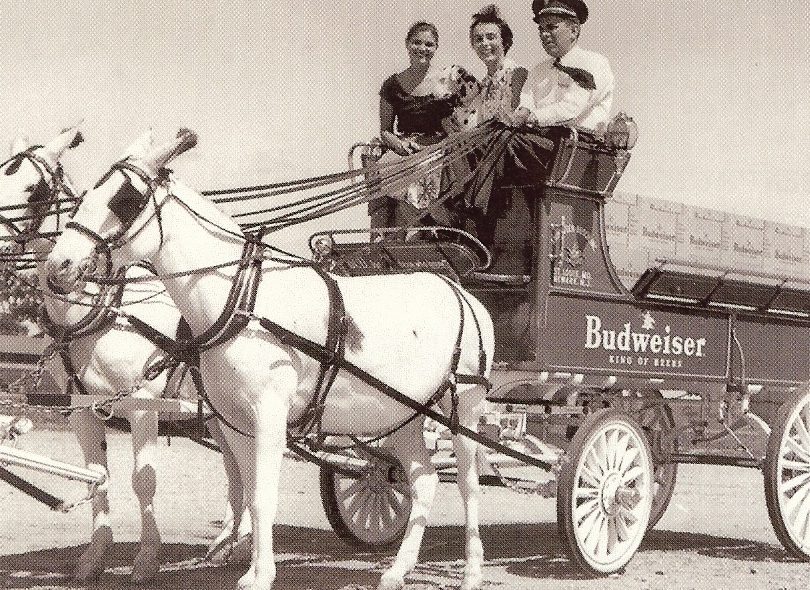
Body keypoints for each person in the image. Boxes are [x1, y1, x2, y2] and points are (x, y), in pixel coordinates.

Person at [369, 21, 477, 237]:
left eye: (429, 44)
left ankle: (443, 228)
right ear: (407, 44)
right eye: (417, 42)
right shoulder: (392, 85)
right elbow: (385, 131)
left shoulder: (448, 78)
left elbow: (477, 101)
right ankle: (382, 235)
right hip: (405, 148)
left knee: (426, 170)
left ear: (436, 48)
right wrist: (399, 144)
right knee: (380, 169)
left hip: (441, 148)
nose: (423, 49)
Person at [513, 0, 614, 134]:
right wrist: (523, 112)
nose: (544, 34)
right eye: (541, 29)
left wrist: (533, 117)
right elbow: (526, 101)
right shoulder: (538, 70)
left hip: (576, 145)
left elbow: (571, 109)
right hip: (537, 139)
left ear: (574, 30)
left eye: (551, 27)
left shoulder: (594, 63)